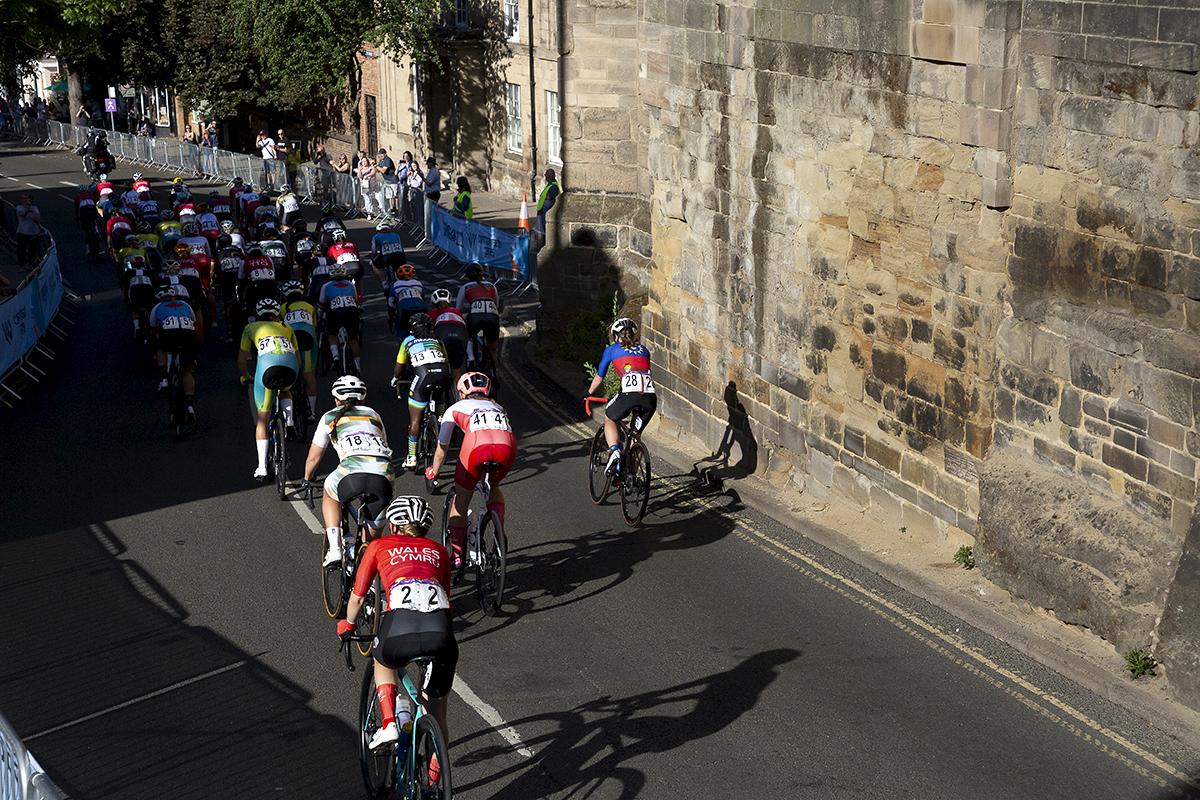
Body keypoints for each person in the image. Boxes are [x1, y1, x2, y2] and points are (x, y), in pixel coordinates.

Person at [338, 495, 456, 756]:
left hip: (399, 630)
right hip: (441, 635)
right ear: (426, 528)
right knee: (437, 713)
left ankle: (390, 722)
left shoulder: (378, 546)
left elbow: (358, 596)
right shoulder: (440, 551)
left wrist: (348, 625)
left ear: (392, 526)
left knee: (383, 660)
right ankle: (437, 779)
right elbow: (447, 601)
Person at [302, 375, 395, 565]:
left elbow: (314, 457)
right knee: (370, 545)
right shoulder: (374, 414)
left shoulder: (330, 416)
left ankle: (335, 548)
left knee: (330, 491)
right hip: (384, 474)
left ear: (336, 399)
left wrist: (308, 478)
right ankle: (368, 581)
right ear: (363, 399)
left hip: (351, 471)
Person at [426, 372, 515, 566]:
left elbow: (442, 450)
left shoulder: (455, 408)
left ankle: (457, 556)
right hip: (507, 447)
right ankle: (499, 535)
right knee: (494, 486)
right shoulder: (497, 406)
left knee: (461, 500)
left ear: (462, 392)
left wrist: (434, 472)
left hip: (476, 447)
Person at [585, 317, 657, 476]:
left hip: (628, 395)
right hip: (650, 399)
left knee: (610, 417)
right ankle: (631, 476)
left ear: (616, 336)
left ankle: (614, 451)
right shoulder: (644, 349)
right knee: (636, 436)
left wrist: (589, 393)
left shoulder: (612, 350)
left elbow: (599, 377)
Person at [238, 298, 301, 480]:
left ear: (257, 314)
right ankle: (289, 421)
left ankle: (262, 467)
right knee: (285, 390)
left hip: (267, 369)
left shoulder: (251, 328)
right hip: (290, 367)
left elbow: (242, 360)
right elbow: (297, 359)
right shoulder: (287, 327)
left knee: (263, 419)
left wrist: (246, 378)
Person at [392, 313, 450, 470]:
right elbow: (445, 359)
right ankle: (440, 420)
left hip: (423, 375)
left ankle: (412, 457)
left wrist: (395, 378)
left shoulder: (407, 341)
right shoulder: (437, 340)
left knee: (415, 420)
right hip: (442, 373)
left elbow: (400, 365)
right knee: (440, 393)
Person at [148, 285, 199, 423]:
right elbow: (194, 323)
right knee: (187, 371)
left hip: (169, 333)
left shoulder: (157, 308)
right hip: (187, 334)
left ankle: (164, 378)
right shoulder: (185, 304)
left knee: (162, 349)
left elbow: (153, 331)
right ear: (174, 296)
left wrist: (152, 347)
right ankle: (189, 404)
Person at [281, 281, 319, 422]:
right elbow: (314, 327)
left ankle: (288, 412)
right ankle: (312, 412)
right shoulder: (309, 307)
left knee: (289, 373)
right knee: (309, 374)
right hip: (308, 339)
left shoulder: (282, 308)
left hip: (291, 341)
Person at [319, 262, 362, 375]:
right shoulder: (350, 284)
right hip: (351, 310)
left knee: (332, 334)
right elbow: (356, 299)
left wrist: (320, 317)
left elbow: (322, 304)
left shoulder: (326, 286)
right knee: (353, 339)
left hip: (335, 311)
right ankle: (357, 367)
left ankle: (336, 357)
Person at [455, 263, 500, 366]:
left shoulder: (465, 287)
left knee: (468, 336)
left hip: (475, 317)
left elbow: (458, 310)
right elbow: (497, 306)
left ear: (467, 275)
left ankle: (470, 357)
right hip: (493, 317)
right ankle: (495, 374)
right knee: (493, 351)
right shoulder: (492, 286)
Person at [430, 288, 468, 390]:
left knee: (439, 369)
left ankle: (439, 399)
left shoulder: (432, 313)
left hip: (443, 335)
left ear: (433, 304)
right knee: (456, 372)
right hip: (460, 336)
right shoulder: (456, 311)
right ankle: (462, 398)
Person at [387, 263, 424, 340]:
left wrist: (391, 317)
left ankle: (401, 347)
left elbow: (391, 304)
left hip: (403, 308)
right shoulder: (419, 284)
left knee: (402, 336)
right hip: (420, 305)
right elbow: (422, 298)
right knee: (422, 333)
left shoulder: (395, 285)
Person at [370, 220, 405, 289]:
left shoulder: (376, 237)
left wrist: (372, 259)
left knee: (375, 265)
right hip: (400, 256)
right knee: (399, 268)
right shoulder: (396, 235)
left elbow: (374, 252)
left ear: (379, 231)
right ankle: (401, 284)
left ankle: (384, 285)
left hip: (386, 257)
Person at [535, 168, 560, 249]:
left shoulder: (553, 187)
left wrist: (550, 212)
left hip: (546, 212)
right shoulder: (550, 185)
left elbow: (552, 200)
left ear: (549, 176)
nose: (545, 177)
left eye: (546, 175)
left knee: (546, 229)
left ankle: (546, 245)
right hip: (543, 211)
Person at [15, 193, 41, 271]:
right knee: (21, 249)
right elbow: (22, 215)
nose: (26, 200)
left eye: (27, 198)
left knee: (32, 249)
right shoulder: (19, 207)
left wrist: (32, 210)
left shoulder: (35, 208)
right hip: (22, 232)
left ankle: (31, 264)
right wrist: (27, 208)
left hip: (33, 232)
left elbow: (38, 219)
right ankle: (21, 266)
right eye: (24, 199)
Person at [377, 147, 398, 216]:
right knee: (390, 196)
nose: (381, 155)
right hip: (388, 181)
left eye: (382, 154)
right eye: (380, 154)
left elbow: (383, 170)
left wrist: (375, 166)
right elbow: (378, 170)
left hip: (393, 180)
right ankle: (391, 209)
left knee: (395, 196)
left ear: (385, 154)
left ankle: (397, 210)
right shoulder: (381, 161)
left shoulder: (387, 160)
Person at [359, 153, 380, 218]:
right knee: (367, 199)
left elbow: (373, 172)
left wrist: (367, 175)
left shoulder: (371, 167)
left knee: (378, 196)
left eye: (365, 161)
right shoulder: (361, 169)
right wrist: (359, 170)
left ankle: (381, 210)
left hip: (373, 185)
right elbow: (360, 176)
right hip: (365, 186)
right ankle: (369, 213)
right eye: (362, 161)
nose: (364, 162)